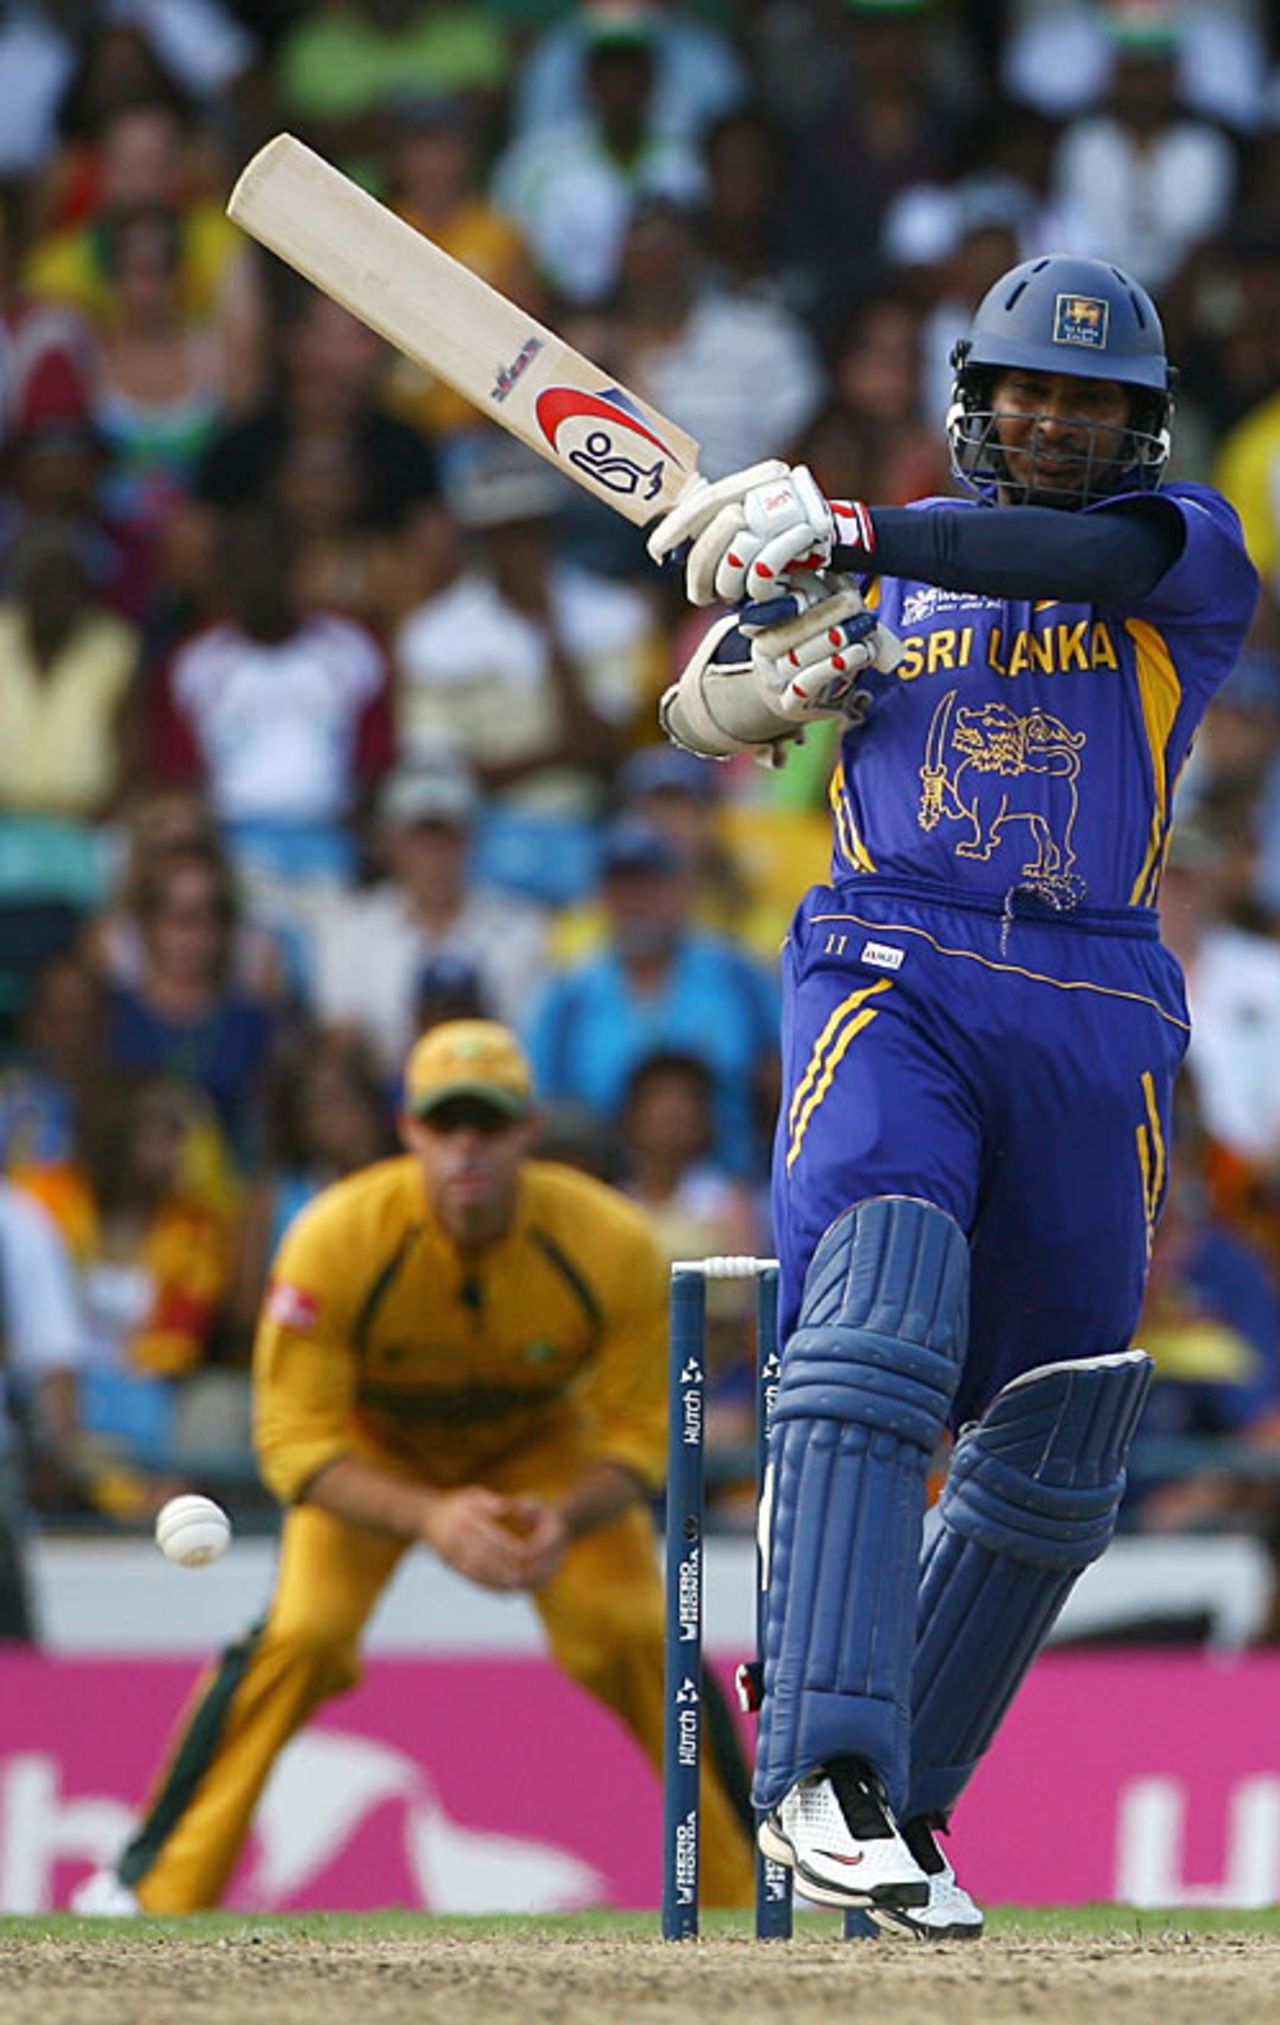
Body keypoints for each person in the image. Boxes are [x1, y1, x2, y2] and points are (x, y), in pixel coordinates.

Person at [647, 253, 1259, 1937]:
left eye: (1095, 405)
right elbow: (695, 708)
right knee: (882, 1303)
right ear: (977, 406)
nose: (1058, 427)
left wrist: (846, 533)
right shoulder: (881, 586)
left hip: (1097, 995)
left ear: (1141, 428)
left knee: (1062, 1437)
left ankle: (887, 1801)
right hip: (892, 966)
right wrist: (774, 678)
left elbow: (1050, 553)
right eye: (1029, 397)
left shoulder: (1179, 554)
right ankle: (823, 1771)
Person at [72, 1018, 754, 1915]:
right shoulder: (337, 1237)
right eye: (446, 1123)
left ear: (528, 1129)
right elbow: (296, 1443)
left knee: (639, 1635)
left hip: (541, 1454)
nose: (466, 1147)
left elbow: (641, 1434)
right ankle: (150, 1886)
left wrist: (565, 1513)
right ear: (409, 1129)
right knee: (302, 1637)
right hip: (377, 1454)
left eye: (489, 1123)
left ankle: (756, 1885)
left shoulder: (612, 1242)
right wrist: (432, 1514)